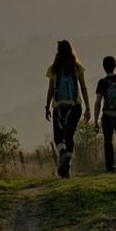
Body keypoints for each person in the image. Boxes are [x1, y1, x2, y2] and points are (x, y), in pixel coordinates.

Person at [45, 39, 91, 179]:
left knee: (59, 137)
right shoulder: (77, 67)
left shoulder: (53, 68)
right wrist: (88, 108)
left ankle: (63, 154)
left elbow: (51, 90)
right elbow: (83, 88)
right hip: (75, 106)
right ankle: (67, 165)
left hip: (59, 107)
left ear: (58, 51)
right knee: (69, 135)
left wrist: (47, 106)